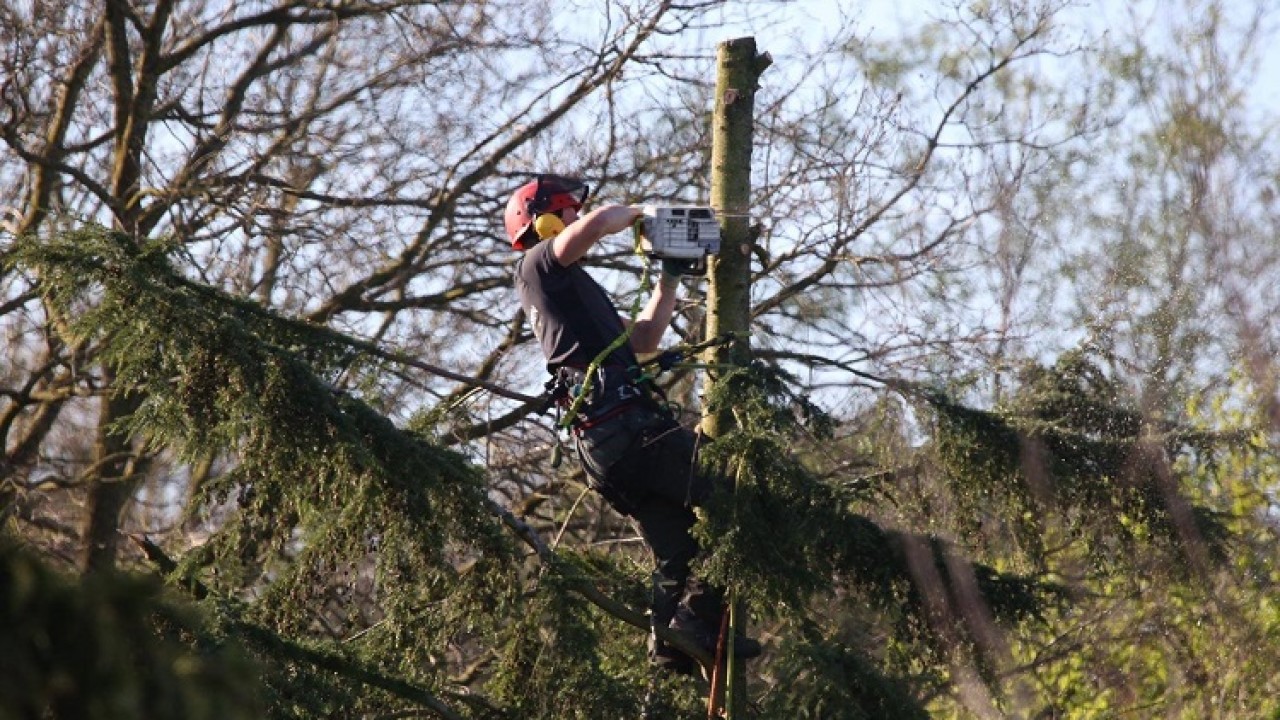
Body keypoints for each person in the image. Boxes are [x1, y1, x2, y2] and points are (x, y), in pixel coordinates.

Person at [504, 174, 759, 675]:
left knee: (680, 550)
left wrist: (669, 277)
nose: (578, 219)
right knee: (736, 492)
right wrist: (646, 215)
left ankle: (670, 639)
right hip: (627, 430)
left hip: (610, 446)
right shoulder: (538, 266)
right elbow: (599, 223)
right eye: (568, 213)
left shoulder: (572, 294)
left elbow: (644, 337)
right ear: (548, 219)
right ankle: (696, 621)